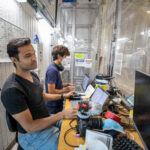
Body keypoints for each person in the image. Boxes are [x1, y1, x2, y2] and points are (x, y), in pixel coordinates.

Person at [1, 38, 78, 150]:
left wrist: (63, 96)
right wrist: (61, 115)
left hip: (46, 120)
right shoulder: (12, 89)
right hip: (32, 134)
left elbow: (42, 95)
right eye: (28, 55)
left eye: (34, 54)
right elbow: (30, 127)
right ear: (14, 60)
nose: (34, 58)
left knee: (76, 124)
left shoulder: (32, 75)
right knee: (70, 146)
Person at [45, 45, 75, 114]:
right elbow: (51, 91)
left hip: (57, 103)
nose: (65, 59)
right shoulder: (52, 70)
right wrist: (66, 90)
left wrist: (68, 85)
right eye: (65, 57)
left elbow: (56, 84)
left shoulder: (55, 68)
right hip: (53, 105)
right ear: (59, 56)